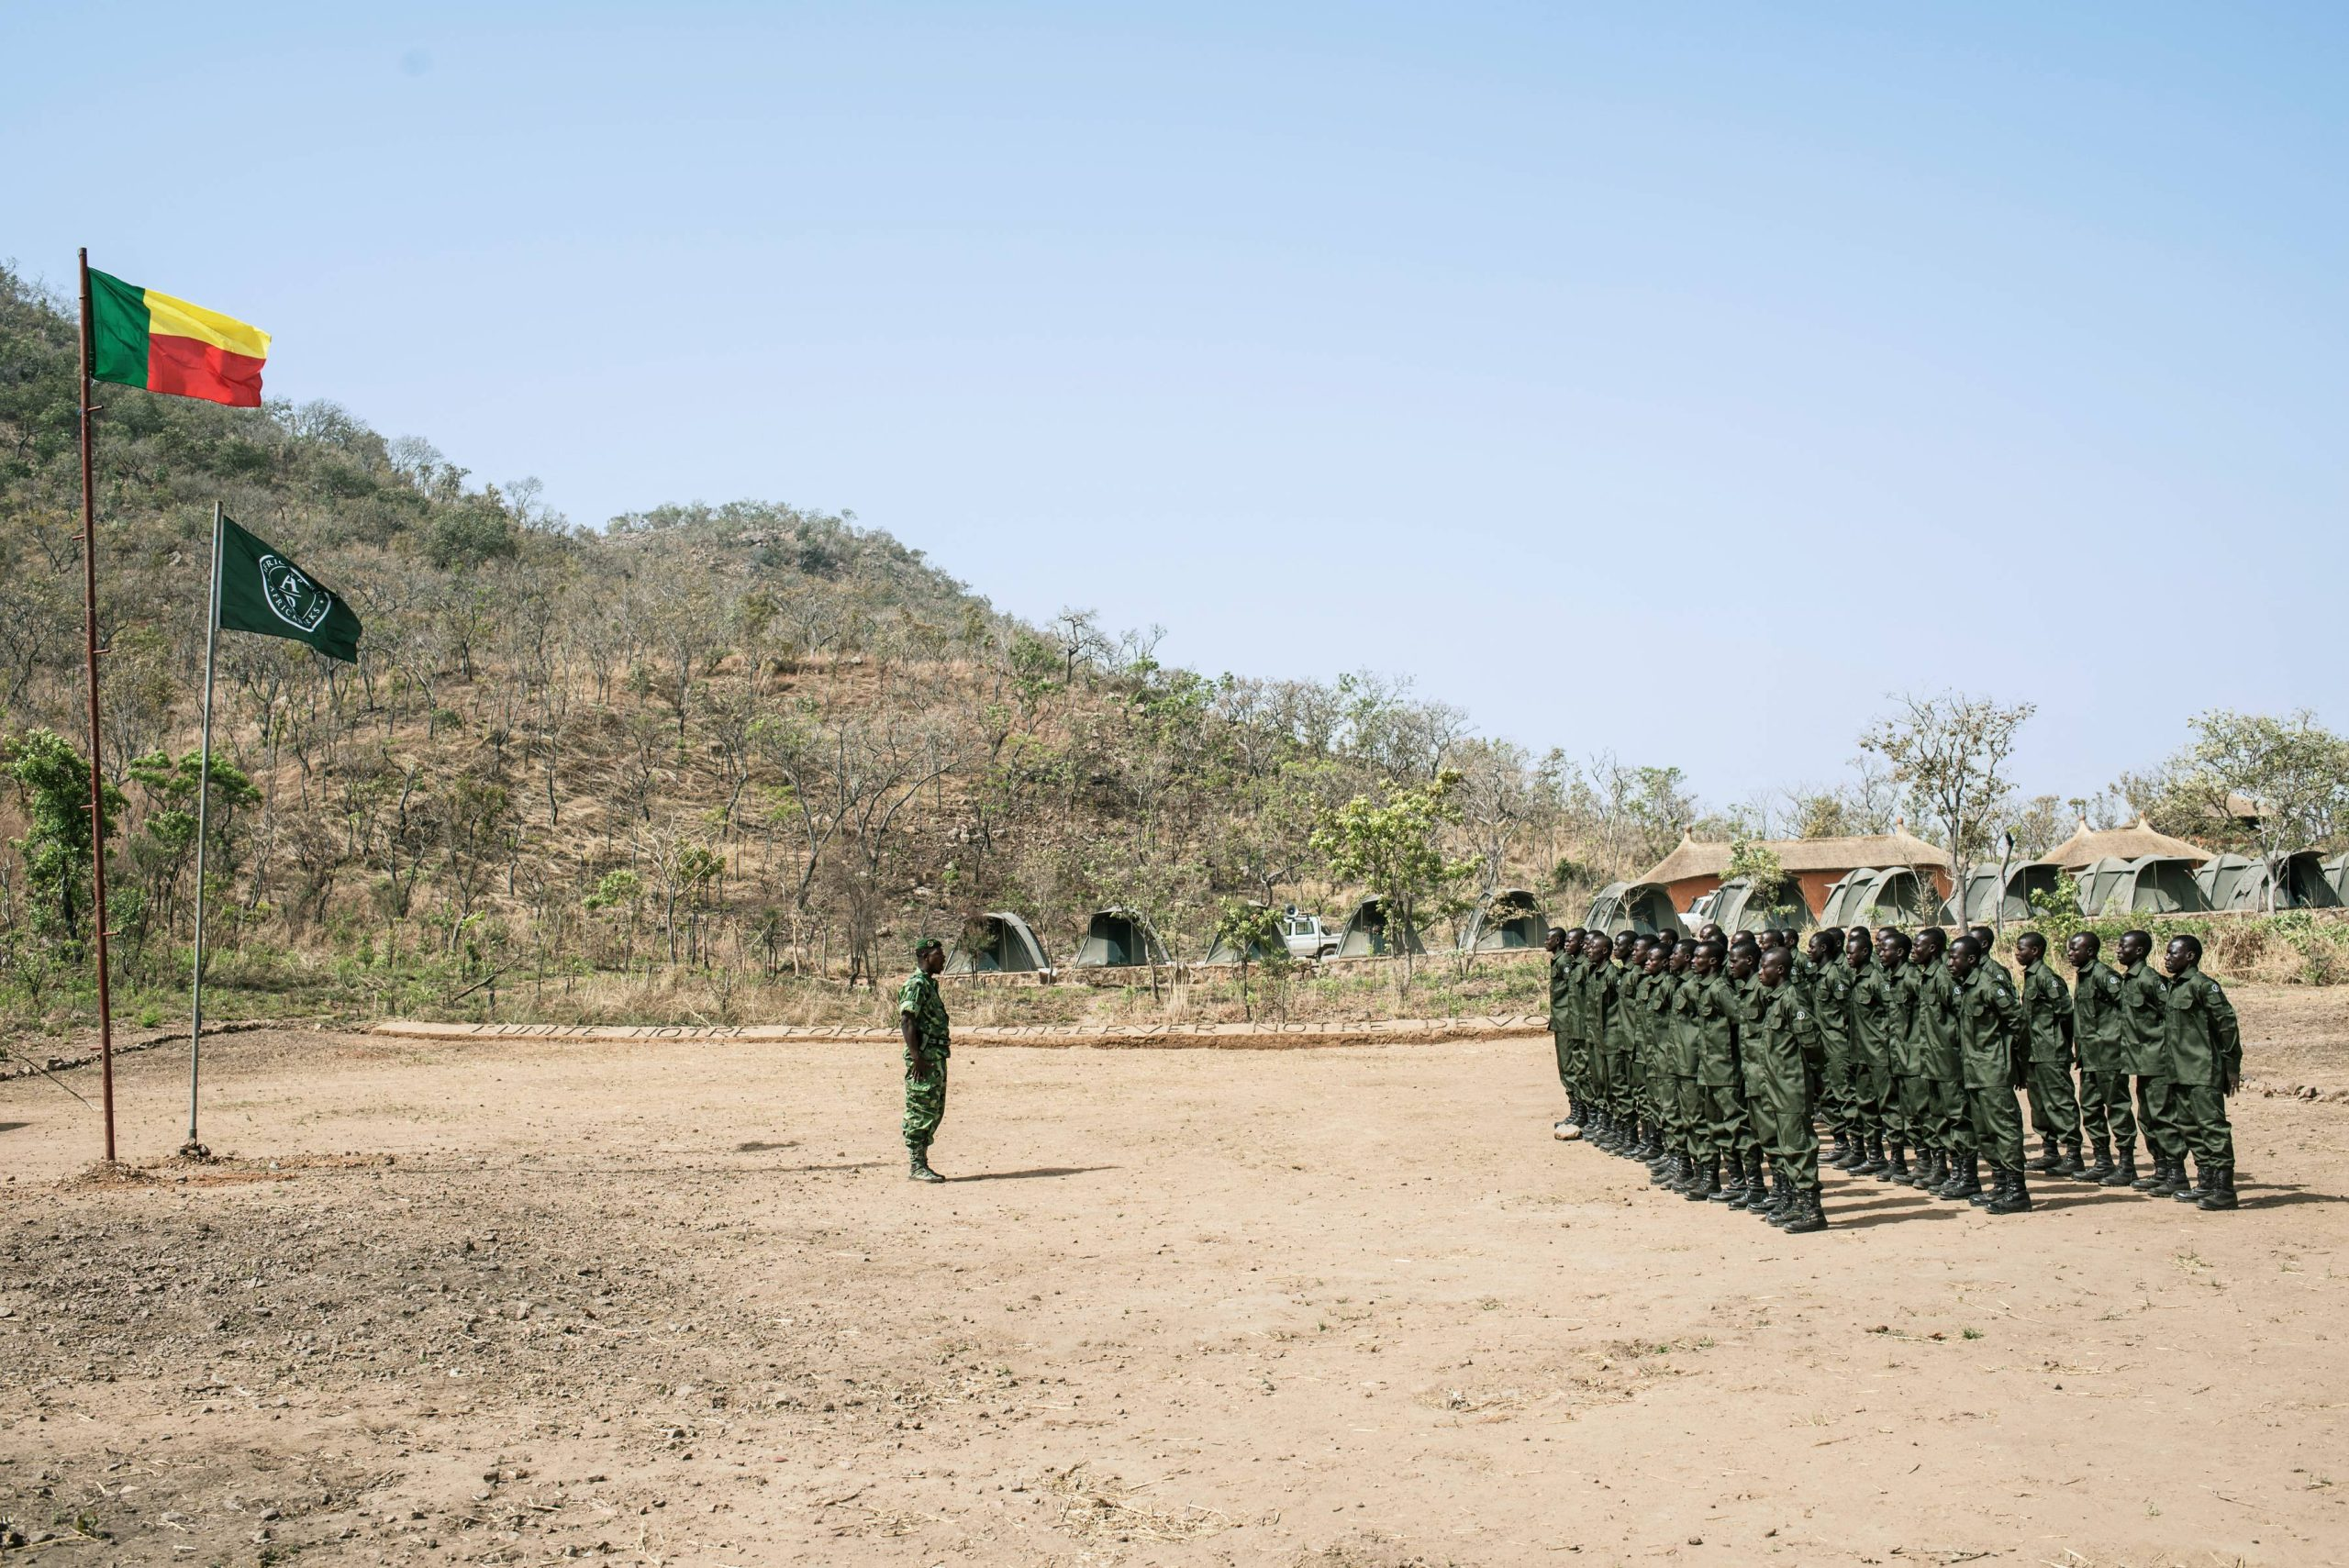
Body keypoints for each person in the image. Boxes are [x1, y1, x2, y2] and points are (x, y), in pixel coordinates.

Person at [1948, 935, 2031, 1213]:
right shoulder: (1967, 988)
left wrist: (2019, 1064)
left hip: (1994, 1071)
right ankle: (2000, 1184)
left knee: (2004, 1131)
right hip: (1973, 1072)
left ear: (1971, 959)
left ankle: (2018, 1191)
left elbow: (2019, 1022)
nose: (1949, 963)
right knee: (1984, 1133)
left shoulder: (1989, 986)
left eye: (1954, 957)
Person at [2160, 934, 2242, 1210]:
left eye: (2173, 953)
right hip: (2180, 1070)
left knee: (2213, 1128)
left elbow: (2227, 1024)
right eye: (2167, 953)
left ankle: (2224, 1189)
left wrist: (2232, 1066)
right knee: (2190, 1128)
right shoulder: (2176, 986)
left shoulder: (2203, 985)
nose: (2167, 957)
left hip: (2203, 1069)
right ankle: (2205, 1183)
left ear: (2190, 956)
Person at [1750, 948, 1828, 1232]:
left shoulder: (1792, 999)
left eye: (1765, 967)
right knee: (1786, 1147)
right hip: (1777, 1085)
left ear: (1780, 970)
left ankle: (1812, 1211)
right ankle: (1797, 1203)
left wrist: (1813, 1075)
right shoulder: (1775, 999)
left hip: (1791, 1085)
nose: (1761, 972)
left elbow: (1811, 1042)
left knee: (1800, 1147)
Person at [2116, 930, 2188, 1196]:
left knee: (2163, 1116)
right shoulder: (2129, 980)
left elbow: (2171, 1016)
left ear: (2139, 951)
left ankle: (2176, 1173)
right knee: (2146, 1117)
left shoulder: (2150, 980)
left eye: (2124, 946)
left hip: (2158, 1060)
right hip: (2140, 1060)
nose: (2118, 950)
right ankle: (2161, 1170)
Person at [1686, 940, 1754, 1206]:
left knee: (1736, 1126)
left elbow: (1742, 1018)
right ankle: (1729, 1181)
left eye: (1699, 957)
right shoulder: (1704, 988)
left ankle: (1752, 1184)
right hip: (1709, 1068)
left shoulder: (1720, 989)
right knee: (1716, 1127)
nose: (1694, 961)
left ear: (1713, 962)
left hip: (1726, 1069)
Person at [2066, 932, 2136, 1184]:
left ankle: (2127, 1164)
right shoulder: (2084, 975)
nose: (2070, 953)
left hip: (2109, 1054)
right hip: (2089, 1056)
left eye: (2076, 949)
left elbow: (2127, 1007)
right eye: (2070, 949)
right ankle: (2103, 1161)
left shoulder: (2103, 975)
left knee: (2117, 1109)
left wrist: (2119, 1040)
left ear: (2091, 952)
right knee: (2090, 1108)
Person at [2013, 932, 2084, 1176]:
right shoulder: (2031, 976)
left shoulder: (2046, 978)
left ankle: (2073, 1154)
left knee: (2060, 1102)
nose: (2016, 953)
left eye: (2021, 949)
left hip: (2051, 1052)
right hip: (2034, 1052)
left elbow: (2065, 1013)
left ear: (2035, 951)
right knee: (2039, 1105)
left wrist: (2058, 1042)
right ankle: (2050, 1151)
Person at [1912, 928, 1975, 1199]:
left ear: (1934, 948)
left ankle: (1967, 1175)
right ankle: (1945, 1168)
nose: (1915, 950)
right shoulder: (1926, 977)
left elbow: (1964, 1018)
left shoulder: (1945, 978)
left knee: (1958, 1117)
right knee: (1937, 1117)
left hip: (1949, 1060)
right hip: (1931, 1060)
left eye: (1919, 946)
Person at [899, 938, 953, 1182]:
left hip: (934, 1057)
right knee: (920, 1110)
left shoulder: (928, 984)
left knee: (933, 1110)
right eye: (938, 954)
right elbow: (907, 1020)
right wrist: (916, 1057)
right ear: (925, 957)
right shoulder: (916, 985)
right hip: (924, 1059)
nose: (942, 958)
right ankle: (916, 1165)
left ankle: (921, 1163)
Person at [1842, 926, 1893, 1175]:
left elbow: (1892, 1014)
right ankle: (1875, 1155)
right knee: (1866, 1106)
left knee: (1889, 1107)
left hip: (1879, 1054)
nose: (1848, 957)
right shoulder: (1855, 977)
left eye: (1851, 953)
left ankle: (1899, 1160)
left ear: (1865, 952)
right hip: (1861, 1053)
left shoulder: (1877, 979)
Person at [1876, 929, 1923, 1184]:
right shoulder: (1892, 978)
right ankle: (1907, 1162)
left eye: (1886, 950)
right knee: (1901, 1111)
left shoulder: (1914, 979)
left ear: (1900, 953)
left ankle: (1928, 1163)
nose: (1881, 953)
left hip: (1915, 1058)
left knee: (1921, 1113)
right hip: (1897, 1056)